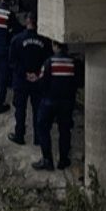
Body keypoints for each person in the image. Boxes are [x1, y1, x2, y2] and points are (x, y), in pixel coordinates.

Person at [32, 41, 76, 171]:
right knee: (65, 130)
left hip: (49, 101)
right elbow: (78, 82)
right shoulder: (73, 63)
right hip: (67, 102)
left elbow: (41, 82)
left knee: (42, 127)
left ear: (55, 46)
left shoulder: (49, 62)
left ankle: (47, 160)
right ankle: (63, 160)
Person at [8, 12, 51, 145]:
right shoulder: (45, 41)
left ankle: (19, 135)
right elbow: (48, 62)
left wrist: (24, 74)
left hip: (21, 81)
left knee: (20, 109)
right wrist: (37, 74)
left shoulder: (17, 39)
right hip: (38, 81)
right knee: (37, 109)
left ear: (27, 21)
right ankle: (38, 138)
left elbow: (12, 62)